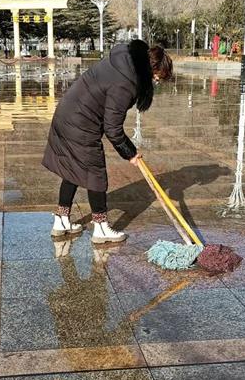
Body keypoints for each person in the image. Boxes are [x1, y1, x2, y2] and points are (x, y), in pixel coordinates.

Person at [42, 39, 173, 244]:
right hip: (80, 122)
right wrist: (130, 153)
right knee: (95, 173)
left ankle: (61, 221)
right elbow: (113, 128)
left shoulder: (124, 59)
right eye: (156, 78)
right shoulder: (126, 82)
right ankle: (101, 228)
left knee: (73, 168)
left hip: (67, 112)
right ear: (151, 69)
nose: (155, 83)